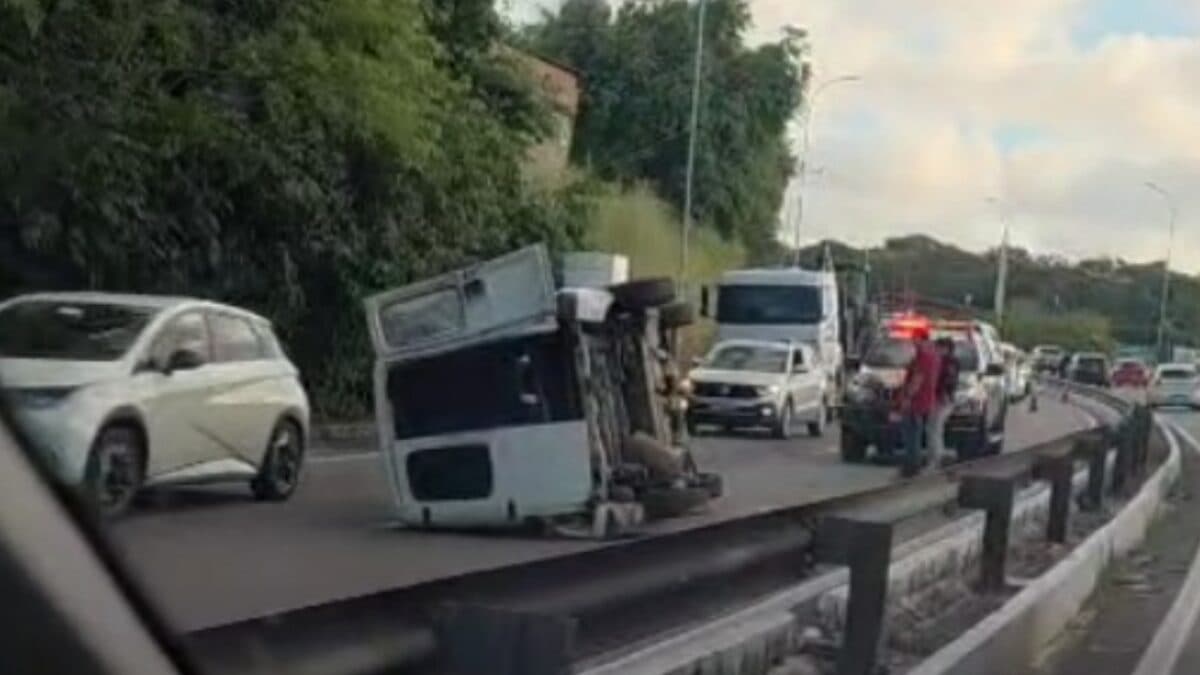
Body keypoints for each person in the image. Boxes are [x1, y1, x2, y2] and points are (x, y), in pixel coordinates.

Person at [893, 325, 940, 478]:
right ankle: (914, 465)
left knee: (911, 435)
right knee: (916, 433)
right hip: (927, 400)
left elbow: (917, 379)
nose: (913, 342)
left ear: (921, 339)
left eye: (915, 339)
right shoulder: (934, 355)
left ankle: (911, 467)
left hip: (916, 402)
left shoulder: (923, 356)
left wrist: (907, 398)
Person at [928, 337, 959, 470]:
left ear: (947, 348)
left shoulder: (949, 362)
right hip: (938, 397)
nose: (937, 350)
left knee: (935, 428)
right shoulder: (943, 361)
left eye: (940, 347)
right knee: (932, 428)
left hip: (943, 399)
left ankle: (937, 458)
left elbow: (949, 380)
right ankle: (936, 456)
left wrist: (945, 394)